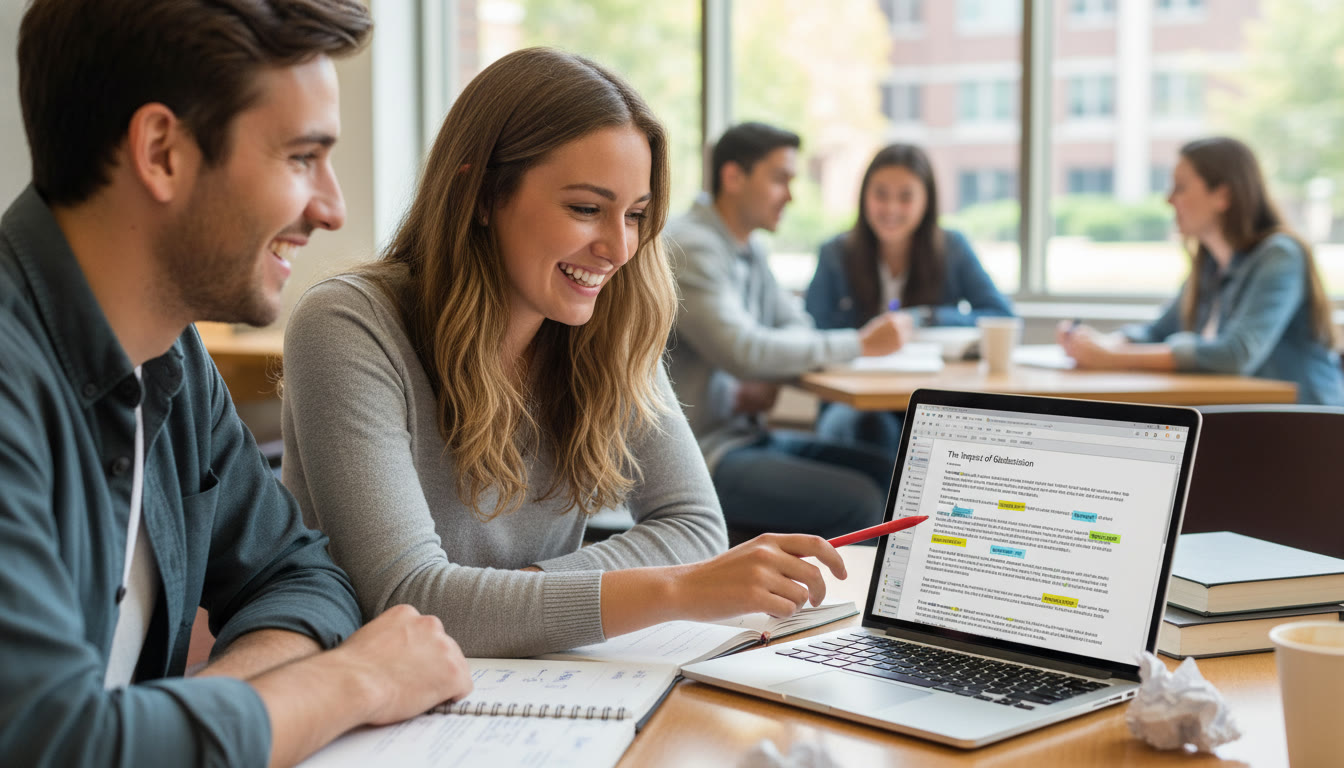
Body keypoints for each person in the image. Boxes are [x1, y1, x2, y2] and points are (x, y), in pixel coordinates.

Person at [0, 2, 476, 766]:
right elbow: (58, 745)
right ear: (161, 152)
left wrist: (185, 725)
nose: (332, 208)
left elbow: (301, 576)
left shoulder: (173, 358)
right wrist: (356, 680)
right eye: (301, 157)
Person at [280, 49, 847, 659]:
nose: (619, 249)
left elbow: (694, 525)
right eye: (585, 209)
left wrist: (506, 605)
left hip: (532, 684)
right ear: (479, 194)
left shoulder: (610, 328)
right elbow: (410, 602)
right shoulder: (347, 323)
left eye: (635, 215)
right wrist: (673, 589)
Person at [664, 122, 906, 539]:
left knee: (889, 474)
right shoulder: (691, 247)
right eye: (780, 179)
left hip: (748, 436)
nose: (790, 196)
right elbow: (743, 350)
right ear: (733, 177)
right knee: (864, 499)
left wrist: (766, 367)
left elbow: (796, 327)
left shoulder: (748, 247)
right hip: (700, 457)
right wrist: (860, 344)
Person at [1059, 137, 1344, 406]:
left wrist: (1113, 357)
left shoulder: (1280, 255)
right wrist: (1100, 344)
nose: (1168, 199)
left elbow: (1235, 355)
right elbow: (1158, 332)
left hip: (1307, 422)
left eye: (1180, 187)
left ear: (1222, 196)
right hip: (1249, 416)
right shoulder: (1210, 264)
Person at [805, 143, 1015, 453]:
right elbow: (810, 333)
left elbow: (1001, 316)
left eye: (905, 197)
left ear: (926, 201)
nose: (891, 209)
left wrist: (925, 317)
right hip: (856, 398)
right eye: (880, 195)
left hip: (932, 395)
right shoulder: (836, 254)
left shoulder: (951, 248)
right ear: (864, 197)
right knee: (868, 429)